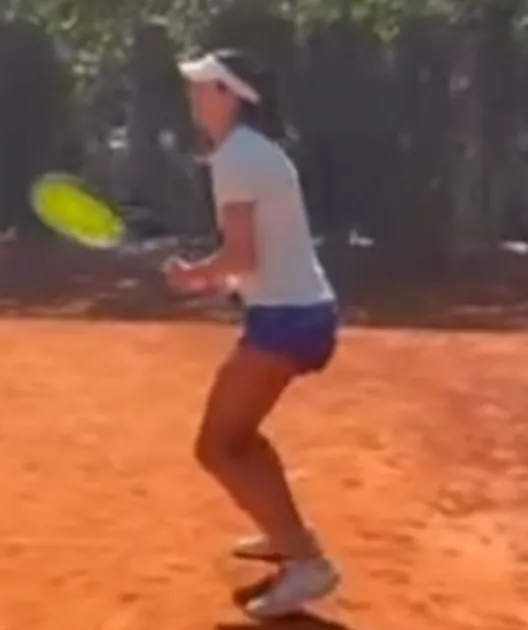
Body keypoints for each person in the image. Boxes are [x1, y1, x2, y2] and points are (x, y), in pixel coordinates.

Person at [163, 49, 341, 619]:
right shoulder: (250, 151)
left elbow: (243, 253)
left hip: (289, 320)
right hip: (297, 312)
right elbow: (261, 254)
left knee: (217, 446)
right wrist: (223, 282)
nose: (194, 94)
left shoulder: (237, 157)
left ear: (231, 95)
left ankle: (307, 563)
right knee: (242, 438)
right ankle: (284, 532)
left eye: (205, 85)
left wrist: (195, 275)